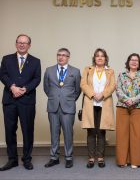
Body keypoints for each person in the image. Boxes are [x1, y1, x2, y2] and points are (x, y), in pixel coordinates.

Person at [0, 34, 41, 171]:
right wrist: (12, 87)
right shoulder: (6, 59)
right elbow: (3, 75)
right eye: (19, 42)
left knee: (27, 131)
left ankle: (27, 159)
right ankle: (12, 160)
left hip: (27, 100)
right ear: (16, 44)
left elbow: (37, 79)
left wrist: (25, 89)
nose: (22, 44)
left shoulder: (36, 61)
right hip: (10, 100)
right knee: (10, 130)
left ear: (29, 45)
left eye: (25, 43)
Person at [43, 48, 81, 168]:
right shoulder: (49, 70)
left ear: (68, 57)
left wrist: (68, 99)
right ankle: (54, 157)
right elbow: (46, 88)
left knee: (68, 133)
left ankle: (68, 157)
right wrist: (55, 98)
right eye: (59, 55)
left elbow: (78, 89)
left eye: (64, 55)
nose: (61, 57)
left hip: (68, 107)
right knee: (54, 133)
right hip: (53, 106)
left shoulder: (75, 71)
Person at [80, 48, 115, 168]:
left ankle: (100, 157)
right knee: (91, 131)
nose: (100, 58)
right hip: (90, 103)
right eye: (97, 56)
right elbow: (83, 84)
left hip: (104, 104)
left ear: (105, 58)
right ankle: (91, 158)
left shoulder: (110, 71)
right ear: (94, 58)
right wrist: (94, 94)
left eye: (102, 56)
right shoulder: (88, 70)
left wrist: (103, 94)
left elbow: (112, 86)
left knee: (101, 131)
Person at [115, 53, 140, 169]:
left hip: (137, 107)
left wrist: (132, 100)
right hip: (122, 106)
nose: (134, 62)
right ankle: (122, 160)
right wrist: (126, 100)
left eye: (136, 61)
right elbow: (118, 90)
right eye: (132, 60)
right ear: (128, 62)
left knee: (137, 134)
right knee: (122, 134)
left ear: (139, 64)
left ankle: (136, 161)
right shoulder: (121, 75)